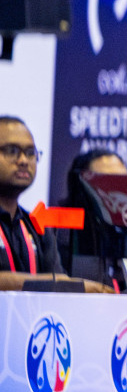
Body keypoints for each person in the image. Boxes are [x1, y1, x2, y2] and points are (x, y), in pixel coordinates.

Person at [0, 117, 109, 293]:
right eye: (12, 151)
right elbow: (55, 280)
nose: (23, 160)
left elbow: (57, 286)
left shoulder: (35, 227)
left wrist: (67, 284)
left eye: (30, 153)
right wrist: (56, 281)